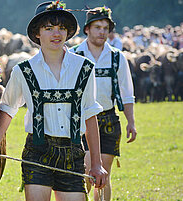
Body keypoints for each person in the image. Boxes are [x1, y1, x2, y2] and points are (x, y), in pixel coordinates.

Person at [0, 1, 108, 200]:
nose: (57, 33)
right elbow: (8, 107)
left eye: (61, 28)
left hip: (73, 153)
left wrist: (96, 163)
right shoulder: (23, 70)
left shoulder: (85, 68)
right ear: (37, 33)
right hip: (37, 152)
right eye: (49, 28)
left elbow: (89, 114)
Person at [69, 6, 137, 201]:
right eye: (97, 27)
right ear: (87, 29)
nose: (102, 32)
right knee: (87, 172)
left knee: (103, 174)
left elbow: (127, 93)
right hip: (80, 120)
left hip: (108, 120)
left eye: (106, 28)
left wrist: (131, 122)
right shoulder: (74, 55)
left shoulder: (117, 57)